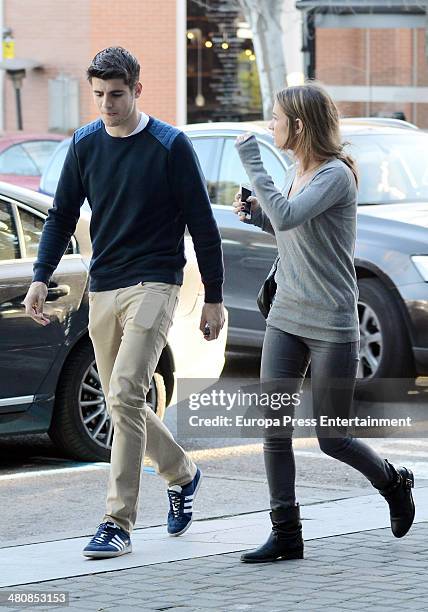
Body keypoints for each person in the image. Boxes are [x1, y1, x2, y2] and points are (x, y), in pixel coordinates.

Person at [23, 47, 225, 559]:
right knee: (121, 401)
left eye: (116, 94)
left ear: (137, 90)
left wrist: (214, 299)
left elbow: (203, 225)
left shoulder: (170, 145)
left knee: (127, 392)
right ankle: (182, 472)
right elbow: (62, 215)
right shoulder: (85, 143)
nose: (107, 105)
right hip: (104, 284)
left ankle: (117, 522)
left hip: (156, 281)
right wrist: (40, 277)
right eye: (99, 96)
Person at [233, 81, 415, 563]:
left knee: (332, 436)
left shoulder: (336, 175)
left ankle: (394, 482)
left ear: (298, 125)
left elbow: (291, 216)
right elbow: (292, 228)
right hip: (286, 317)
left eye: (275, 119)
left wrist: (252, 159)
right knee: (274, 429)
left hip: (331, 322)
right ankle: (286, 533)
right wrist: (257, 215)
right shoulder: (299, 170)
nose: (269, 126)